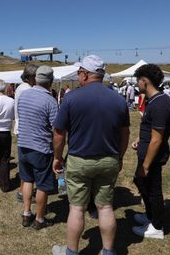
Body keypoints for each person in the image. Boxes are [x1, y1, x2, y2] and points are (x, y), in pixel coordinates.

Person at [52, 55, 130, 255]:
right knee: (105, 207)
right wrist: (119, 157)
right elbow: (125, 134)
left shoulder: (71, 98)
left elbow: (59, 134)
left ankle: (71, 251)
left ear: (85, 74)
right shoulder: (118, 99)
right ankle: (108, 251)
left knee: (77, 208)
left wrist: (57, 157)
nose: (79, 76)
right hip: (109, 159)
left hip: (79, 160)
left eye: (79, 73)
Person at [131, 64, 170, 239]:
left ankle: (157, 226)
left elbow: (157, 139)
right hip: (147, 152)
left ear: (145, 81)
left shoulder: (160, 103)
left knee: (153, 190)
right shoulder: (154, 101)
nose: (137, 84)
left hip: (153, 157)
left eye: (138, 81)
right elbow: (152, 132)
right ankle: (150, 216)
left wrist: (146, 165)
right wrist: (141, 140)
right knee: (141, 182)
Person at [17, 65, 58, 230]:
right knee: (42, 185)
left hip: (23, 144)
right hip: (40, 147)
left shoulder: (23, 95)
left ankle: (26, 213)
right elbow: (57, 129)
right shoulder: (50, 100)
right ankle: (40, 219)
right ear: (51, 81)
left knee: (27, 180)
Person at [14, 63, 38, 202]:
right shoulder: (26, 89)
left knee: (26, 162)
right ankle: (23, 192)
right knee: (28, 163)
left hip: (22, 127)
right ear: (30, 77)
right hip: (26, 128)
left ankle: (23, 191)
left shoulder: (22, 88)